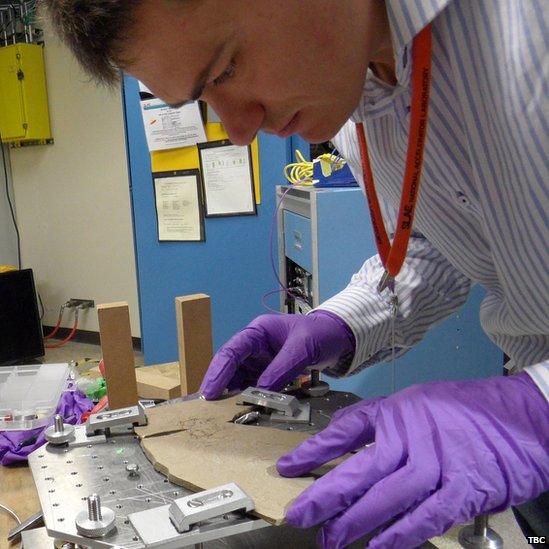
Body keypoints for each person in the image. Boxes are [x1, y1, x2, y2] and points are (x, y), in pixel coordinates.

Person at [42, 1, 548, 547]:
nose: (238, 130)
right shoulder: (362, 107)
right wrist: (345, 323)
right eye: (204, 99)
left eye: (226, 69)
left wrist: (535, 407)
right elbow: (445, 241)